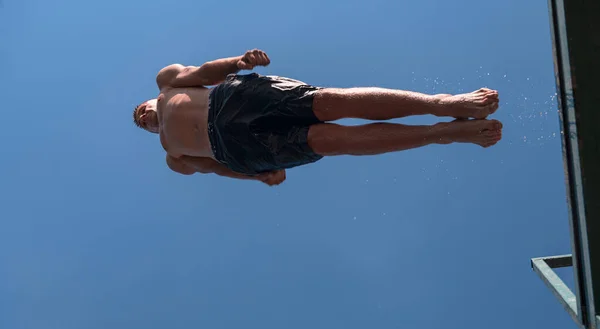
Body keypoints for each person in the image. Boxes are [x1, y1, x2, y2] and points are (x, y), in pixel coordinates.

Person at [133, 49, 502, 186]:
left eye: (141, 111)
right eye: (141, 123)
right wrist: (257, 176)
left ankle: (443, 104)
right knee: (331, 142)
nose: (144, 118)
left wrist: (236, 63)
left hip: (233, 101)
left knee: (328, 102)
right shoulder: (174, 158)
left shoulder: (167, 85)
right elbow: (213, 168)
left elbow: (201, 73)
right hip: (237, 149)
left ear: (151, 101)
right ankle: (443, 133)